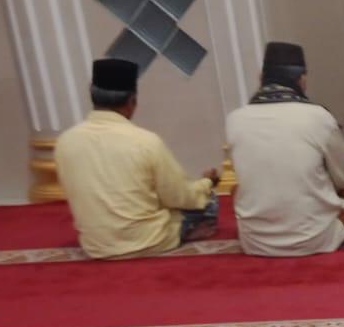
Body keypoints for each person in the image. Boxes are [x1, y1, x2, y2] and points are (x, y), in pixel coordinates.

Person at [226, 41, 344, 256]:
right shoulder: (318, 116)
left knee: (237, 190)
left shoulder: (234, 119)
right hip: (314, 238)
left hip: (255, 242)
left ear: (261, 78)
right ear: (302, 79)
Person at [55, 58, 220, 259]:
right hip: (149, 240)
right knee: (207, 200)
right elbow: (178, 196)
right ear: (132, 101)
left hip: (96, 246)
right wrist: (207, 183)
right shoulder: (146, 141)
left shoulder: (65, 141)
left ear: (92, 93)